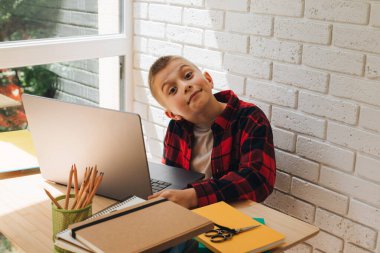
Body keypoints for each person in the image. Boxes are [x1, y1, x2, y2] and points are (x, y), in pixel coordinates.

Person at [147, 55, 276, 209]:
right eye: (173, 90)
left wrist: (194, 196)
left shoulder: (250, 118)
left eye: (188, 76)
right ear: (172, 114)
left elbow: (258, 181)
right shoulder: (176, 128)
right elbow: (172, 177)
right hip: (188, 214)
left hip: (234, 217)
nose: (185, 86)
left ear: (208, 79)